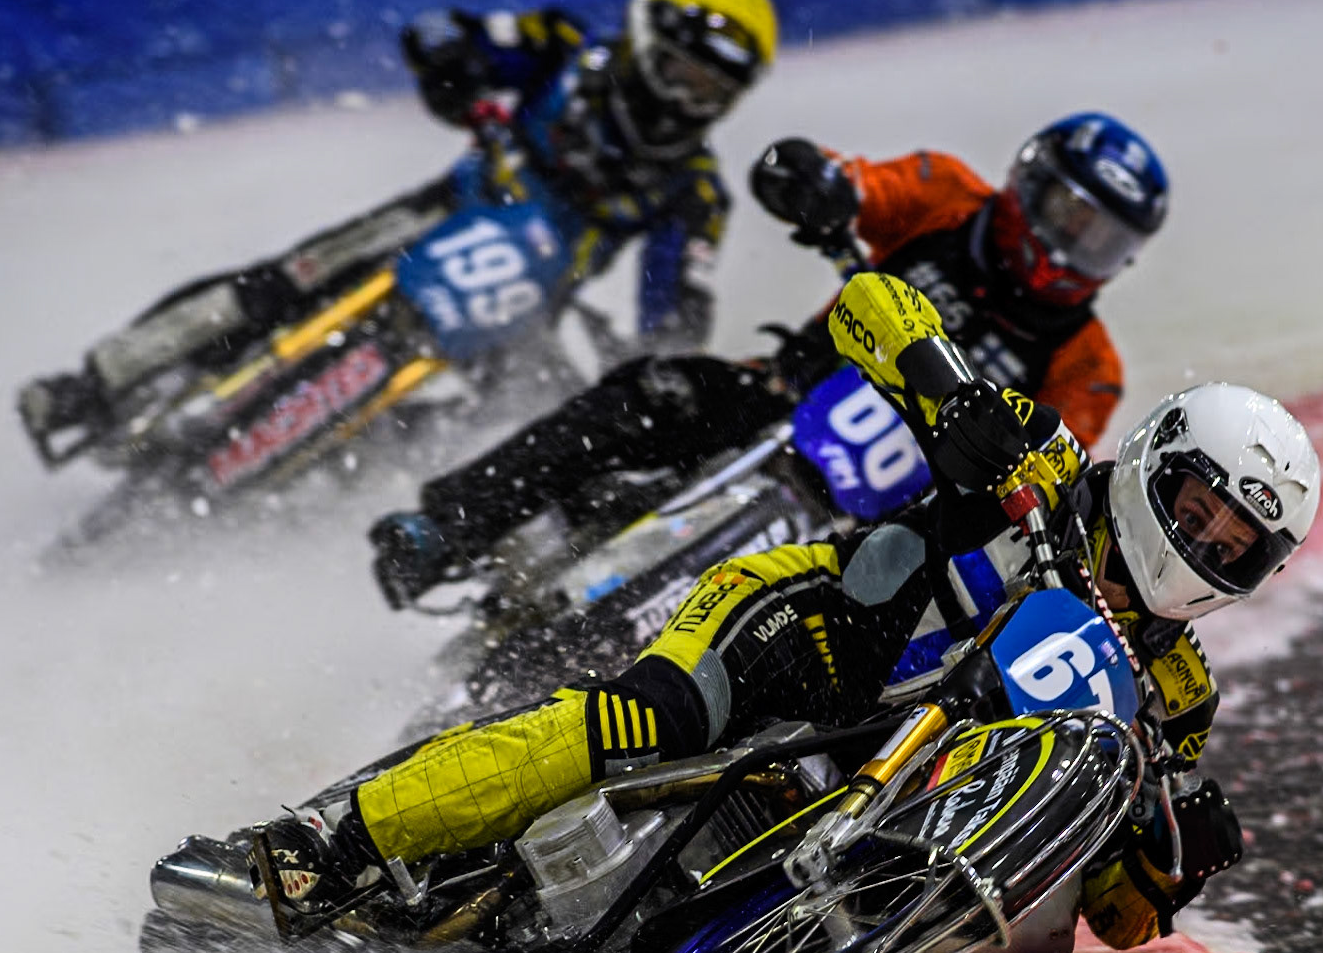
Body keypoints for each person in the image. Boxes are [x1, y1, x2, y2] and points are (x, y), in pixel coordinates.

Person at [256, 272, 1321, 952]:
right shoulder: (1040, 460)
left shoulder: (1177, 695)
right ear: (1154, 466)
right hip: (808, 629)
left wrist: (1174, 859)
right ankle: (327, 840)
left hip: (894, 783)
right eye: (1197, 510)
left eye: (1233, 545)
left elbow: (1112, 915)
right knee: (646, 721)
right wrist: (946, 392)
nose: (1203, 545)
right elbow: (873, 301)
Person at [369, 111, 1167, 608]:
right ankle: (447, 528)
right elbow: (856, 184)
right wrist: (819, 186)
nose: (1070, 246)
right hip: (781, 392)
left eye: (1101, 238)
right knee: (646, 392)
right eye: (1068, 213)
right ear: (1028, 183)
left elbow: (1044, 478)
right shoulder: (946, 194)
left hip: (874, 523)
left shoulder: (1088, 363)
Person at [17, 0, 778, 441]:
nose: (684, 101)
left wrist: (657, 360)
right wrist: (453, 63)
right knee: (282, 283)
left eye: (709, 92)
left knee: (518, 428)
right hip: (440, 215)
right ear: (645, 37)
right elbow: (446, 33)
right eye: (679, 73)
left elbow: (678, 304)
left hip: (525, 308)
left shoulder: (696, 192)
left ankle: (354, 491)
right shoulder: (563, 46)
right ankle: (97, 384)